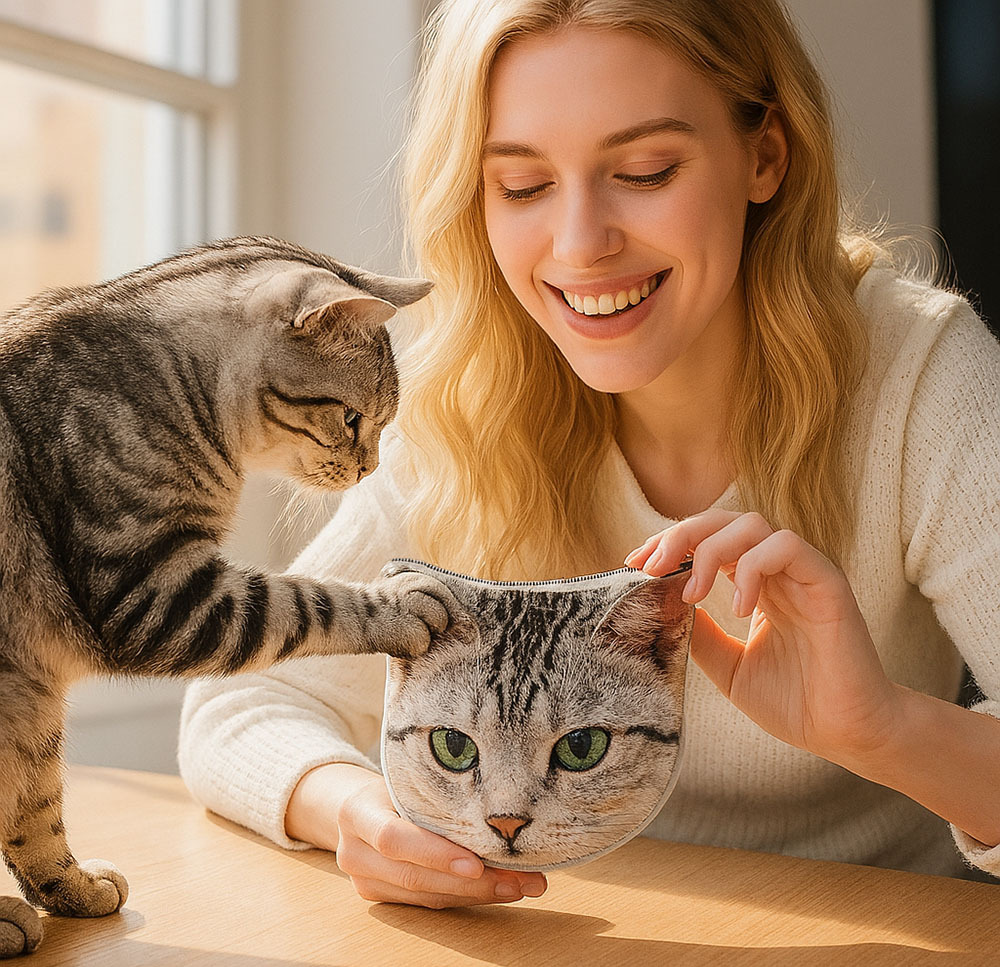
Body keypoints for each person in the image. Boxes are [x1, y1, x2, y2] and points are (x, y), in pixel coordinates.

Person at [179, 0, 1000, 907]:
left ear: (766, 155)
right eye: (523, 188)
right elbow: (240, 698)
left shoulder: (919, 372)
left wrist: (882, 730)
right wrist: (360, 817)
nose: (580, 246)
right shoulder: (463, 396)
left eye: (646, 171)